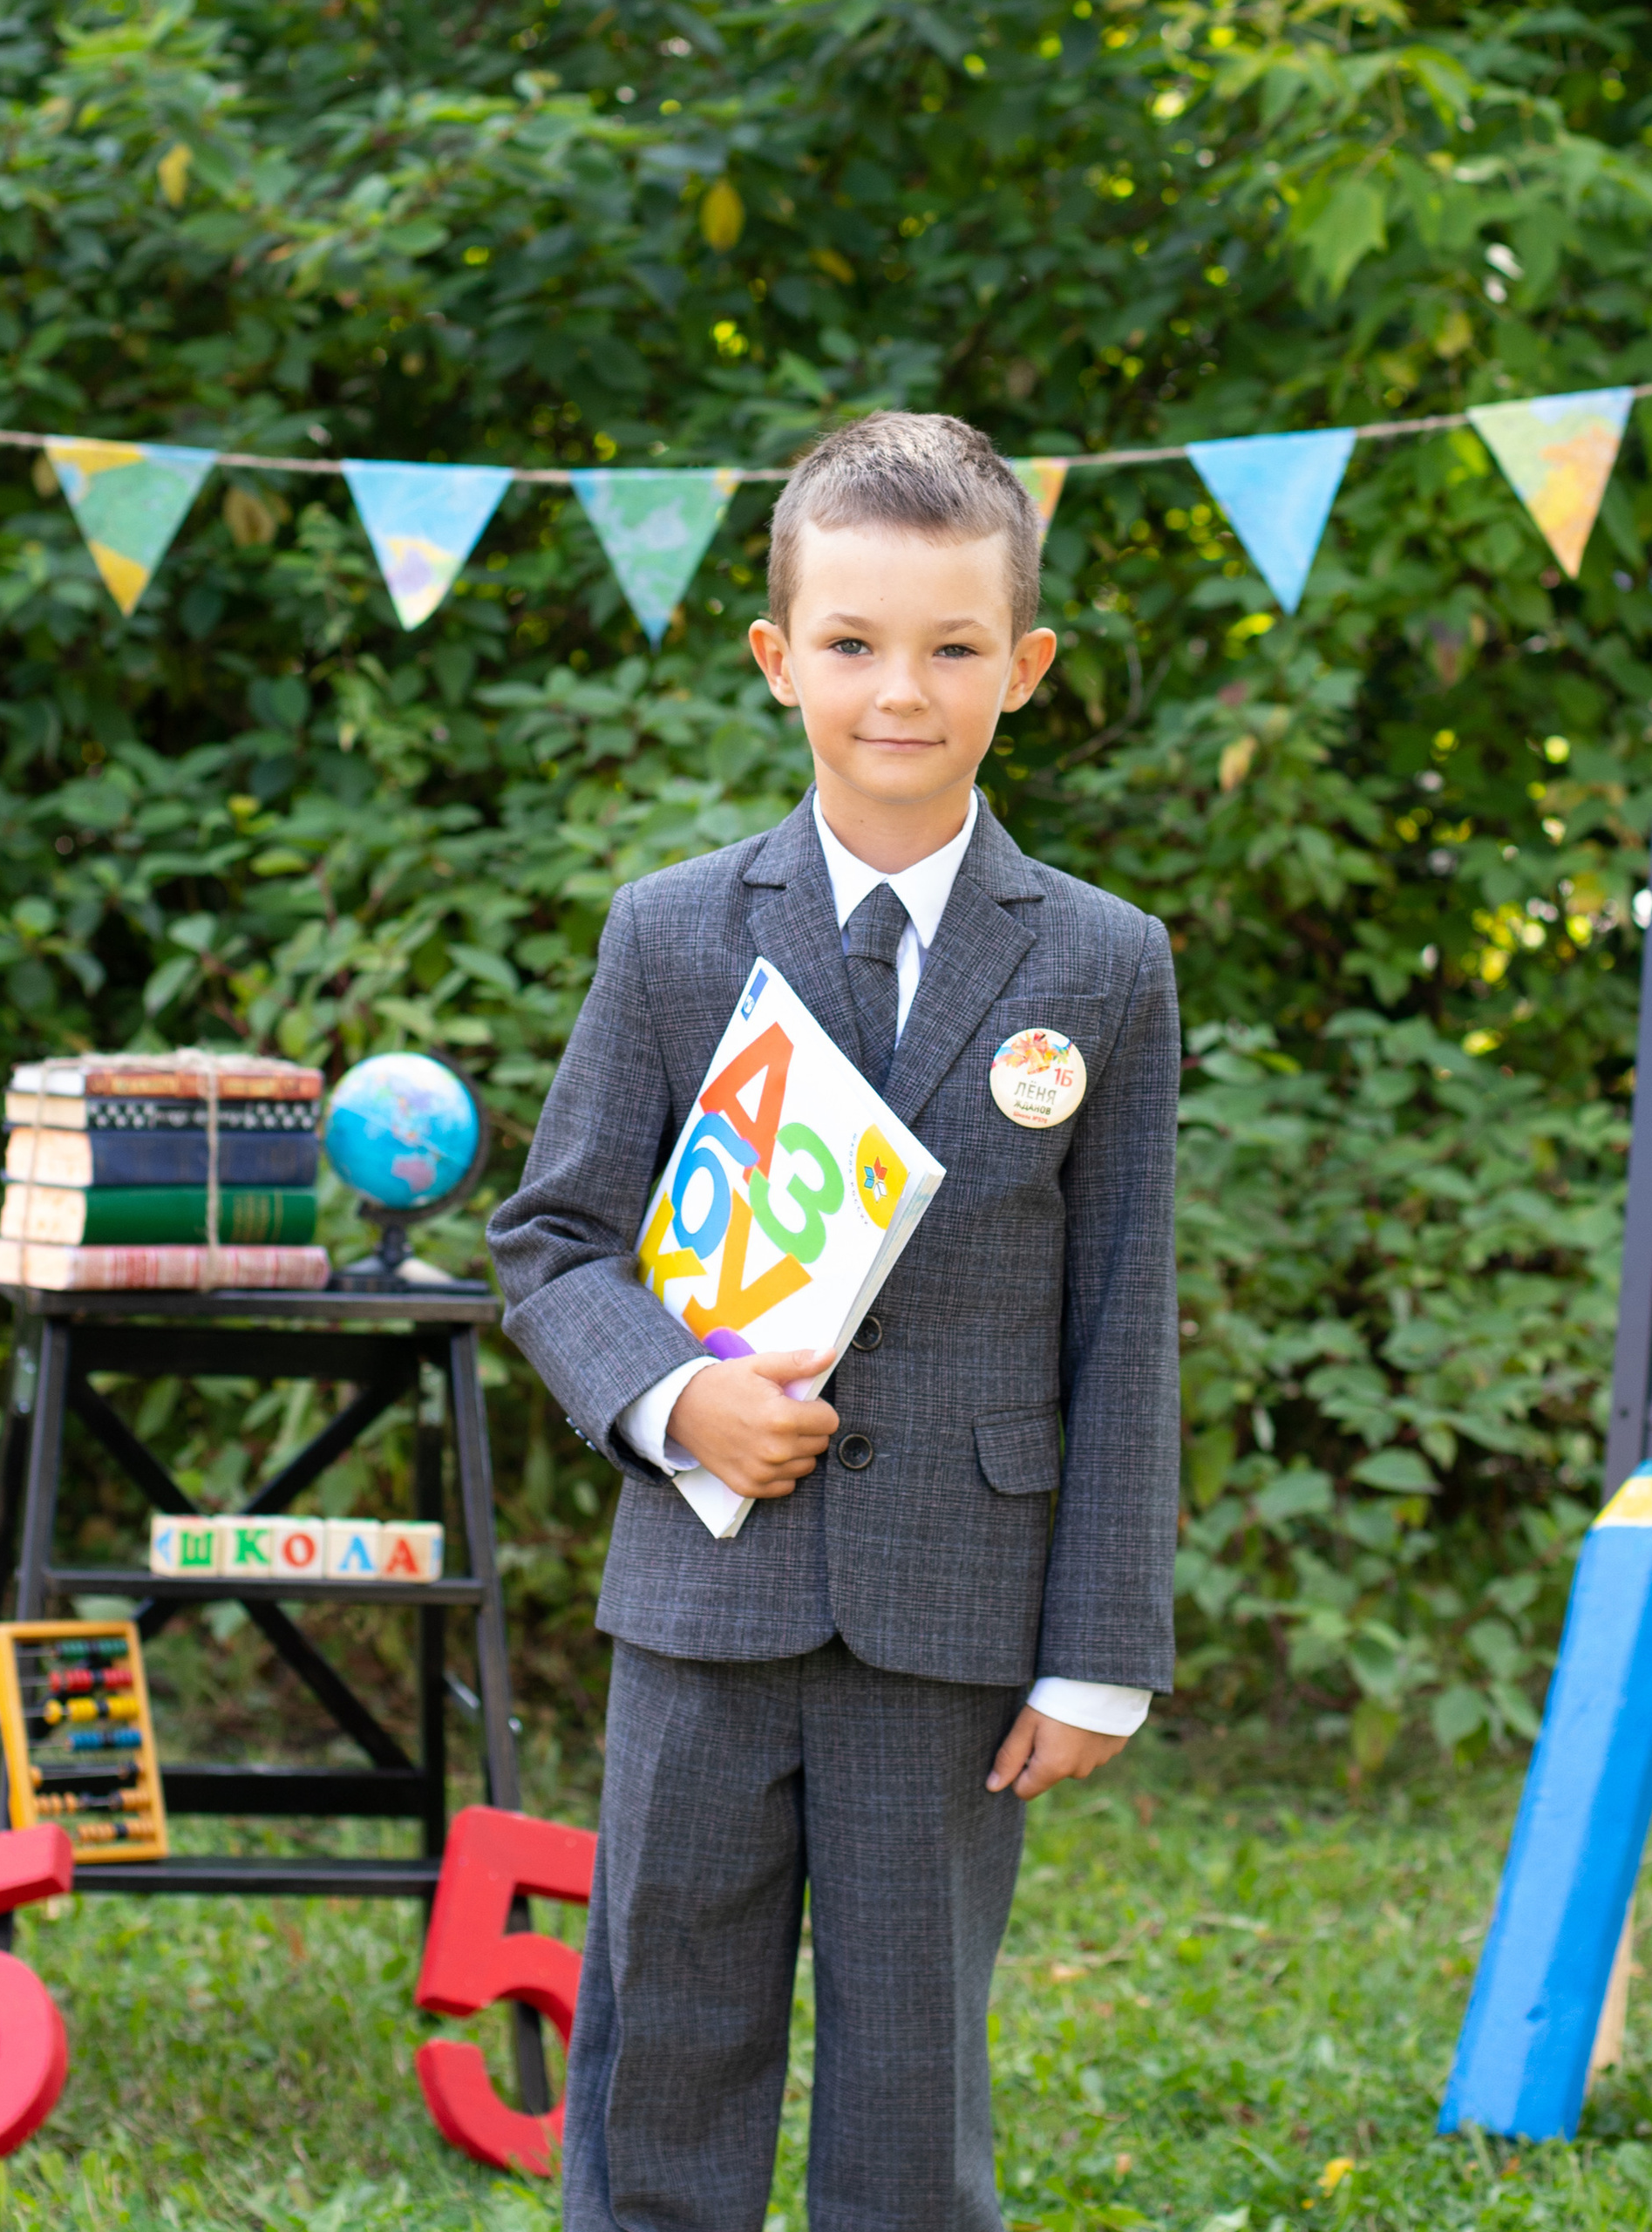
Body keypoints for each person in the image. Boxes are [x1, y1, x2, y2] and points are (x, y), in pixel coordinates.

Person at [487, 409, 1180, 2232]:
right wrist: (670, 1401)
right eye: (855, 642)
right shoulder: (672, 934)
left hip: (955, 1617)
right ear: (774, 655)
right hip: (702, 1603)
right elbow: (554, 1238)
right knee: (667, 2042)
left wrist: (1099, 1642)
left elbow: (1125, 1312)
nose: (901, 688)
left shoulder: (1102, 960)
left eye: (953, 646)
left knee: (908, 2073)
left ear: (1022, 668)